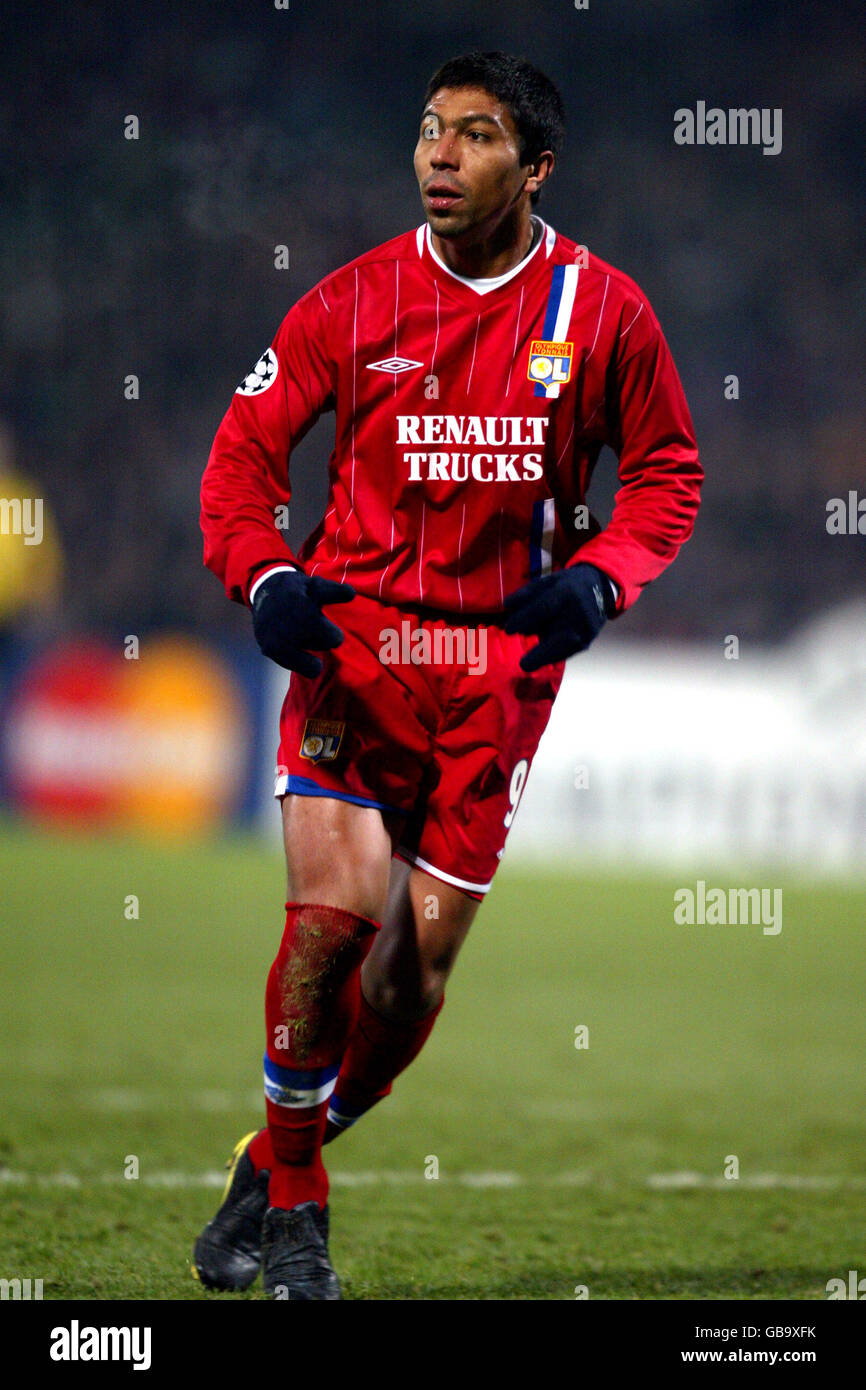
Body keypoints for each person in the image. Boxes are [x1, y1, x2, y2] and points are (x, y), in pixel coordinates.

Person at [195, 50, 703, 1300]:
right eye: (428, 130)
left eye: (473, 136)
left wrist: (600, 577)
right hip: (352, 652)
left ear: (534, 168)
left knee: (412, 968)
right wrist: (265, 580)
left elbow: (665, 474)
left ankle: (271, 1156)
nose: (437, 154)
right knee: (329, 925)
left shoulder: (605, 314)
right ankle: (303, 1219)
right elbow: (240, 461)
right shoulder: (351, 302)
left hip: (496, 679)